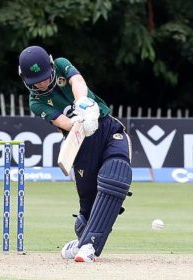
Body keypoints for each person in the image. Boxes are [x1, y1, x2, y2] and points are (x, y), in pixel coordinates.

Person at [18, 46, 132, 262]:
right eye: (36, 81)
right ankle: (82, 239)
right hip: (80, 144)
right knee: (87, 211)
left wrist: (83, 104)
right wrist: (78, 122)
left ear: (51, 67)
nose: (42, 83)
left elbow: (77, 82)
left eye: (44, 77)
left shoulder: (61, 63)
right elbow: (62, 122)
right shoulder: (36, 102)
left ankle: (88, 247)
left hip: (106, 127)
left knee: (116, 175)